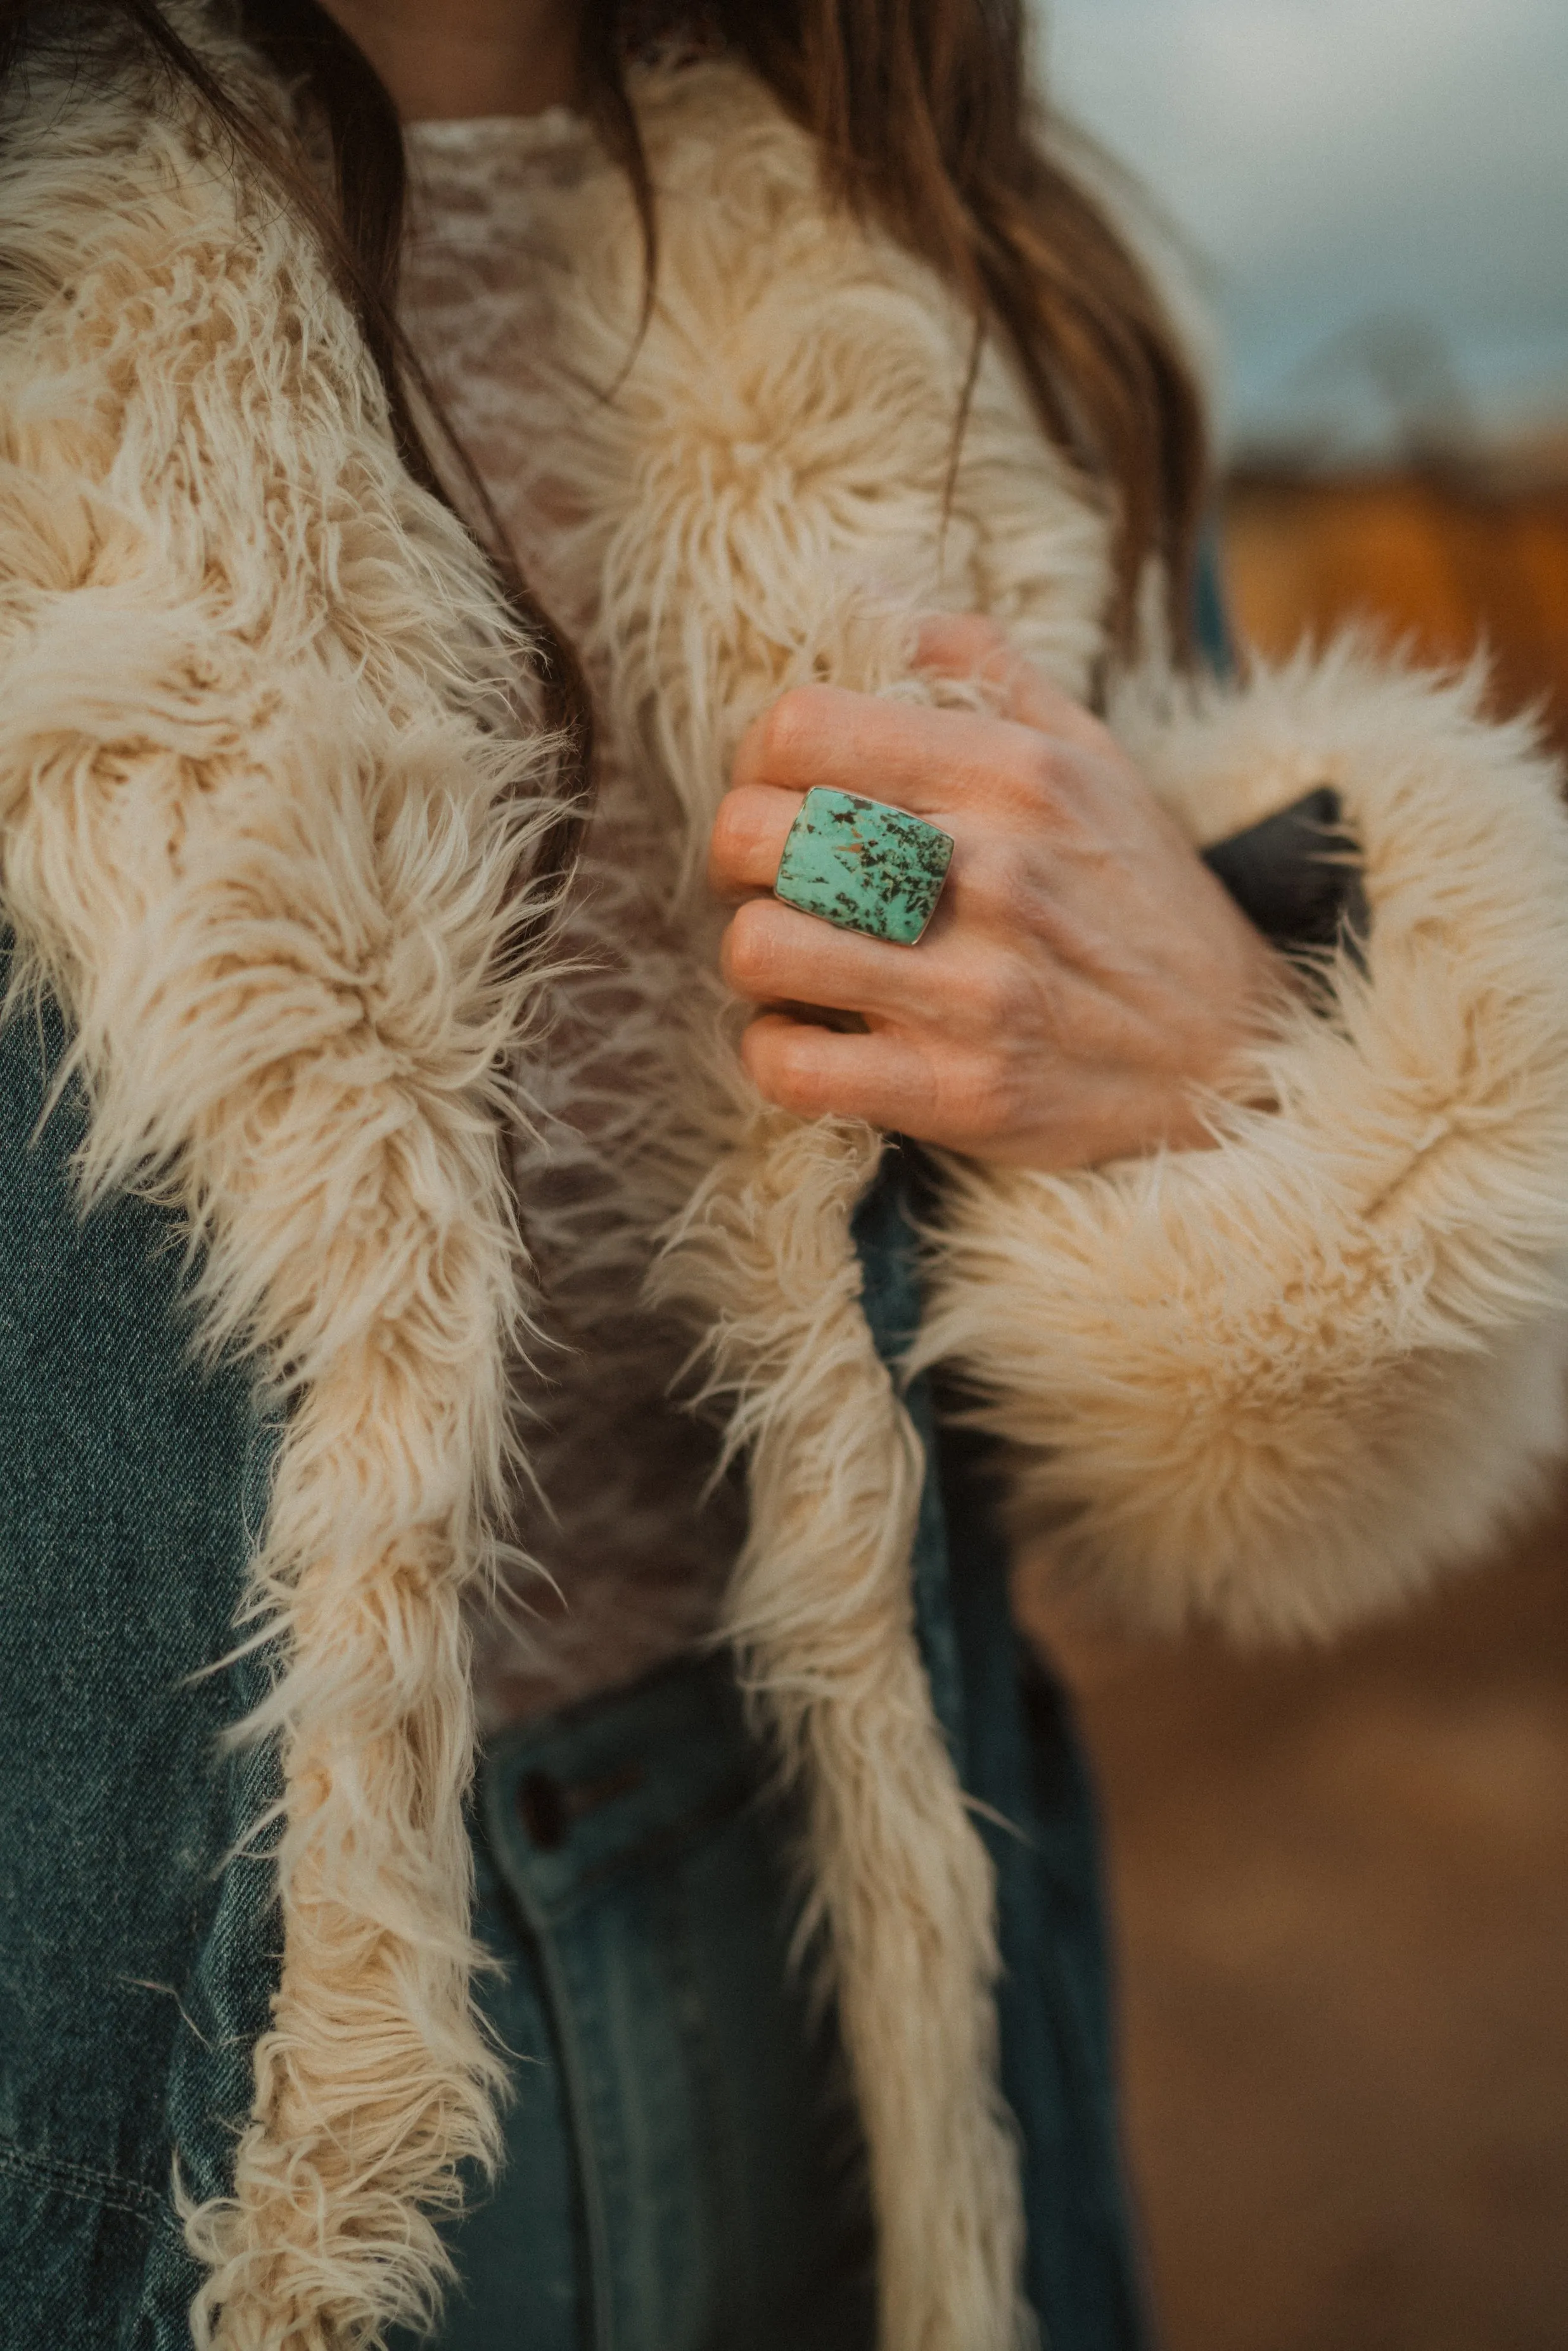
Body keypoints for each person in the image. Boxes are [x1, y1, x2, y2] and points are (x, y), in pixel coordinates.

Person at [3, 6, 1567, 2350]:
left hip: (876, 1989)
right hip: (120, 2101)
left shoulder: (986, 277)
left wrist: (1257, 1069)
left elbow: (1208, 1488)